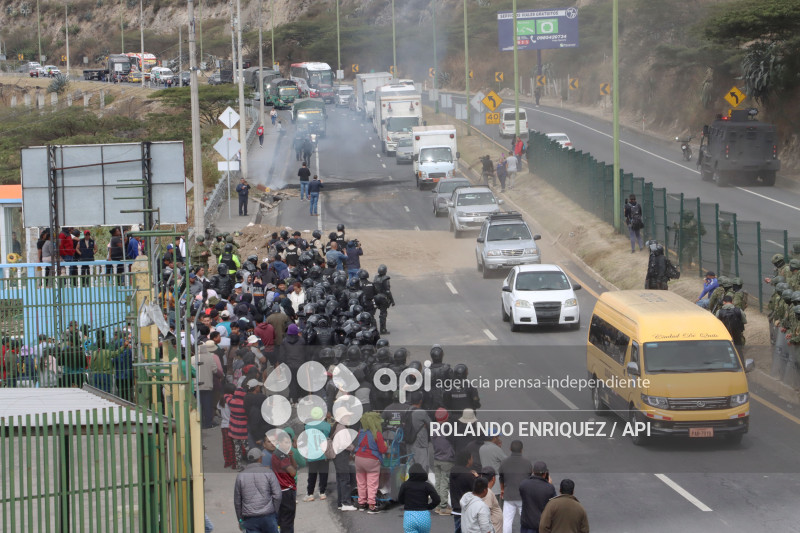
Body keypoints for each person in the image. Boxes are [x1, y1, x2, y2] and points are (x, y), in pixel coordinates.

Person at [234, 447, 282, 533]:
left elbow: (237, 501)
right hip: (268, 516)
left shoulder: (240, 476)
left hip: (250, 518)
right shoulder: (268, 472)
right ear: (260, 459)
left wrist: (240, 520)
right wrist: (274, 511)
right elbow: (277, 495)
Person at [354, 411, 387, 513]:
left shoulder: (360, 432)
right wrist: (385, 445)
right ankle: (372, 506)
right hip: (371, 460)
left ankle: (361, 504)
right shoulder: (377, 434)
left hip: (358, 458)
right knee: (371, 483)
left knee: (361, 482)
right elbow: (383, 450)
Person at [397, 462, 441, 533]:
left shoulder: (405, 485)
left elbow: (400, 500)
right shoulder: (427, 485)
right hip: (424, 516)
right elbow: (437, 499)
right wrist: (429, 507)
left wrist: (406, 502)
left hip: (409, 516)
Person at [500, 440, 533, 533]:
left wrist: (502, 489)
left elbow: (501, 478)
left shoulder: (504, 462)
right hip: (523, 496)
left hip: (509, 495)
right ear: (521, 450)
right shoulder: (527, 463)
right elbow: (530, 479)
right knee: (526, 520)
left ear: (510, 449)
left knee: (507, 521)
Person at [271, 430, 299, 533]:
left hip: (282, 489)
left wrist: (291, 456)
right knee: (287, 520)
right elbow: (293, 472)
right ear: (279, 442)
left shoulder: (281, 454)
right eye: (286, 442)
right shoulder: (281, 455)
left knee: (284, 519)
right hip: (286, 490)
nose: (289, 445)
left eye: (290, 443)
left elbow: (295, 467)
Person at [519, 461, 557, 533]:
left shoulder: (523, 484)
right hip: (542, 525)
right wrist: (549, 484)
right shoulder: (549, 488)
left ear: (533, 471)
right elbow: (554, 503)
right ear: (545, 474)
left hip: (527, 524)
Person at [432, 407, 455, 516]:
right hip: (447, 459)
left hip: (437, 458)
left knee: (438, 482)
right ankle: (443, 507)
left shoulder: (434, 428)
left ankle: (437, 504)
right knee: (445, 482)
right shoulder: (449, 428)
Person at [450, 450, 480, 533]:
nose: (472, 460)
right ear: (467, 460)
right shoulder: (468, 475)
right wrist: (477, 478)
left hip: (456, 508)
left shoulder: (453, 471)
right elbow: (477, 490)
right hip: (467, 509)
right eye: (471, 458)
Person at [479, 429, 507, 500]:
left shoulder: (481, 448)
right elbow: (506, 461)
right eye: (498, 437)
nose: (498, 439)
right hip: (496, 481)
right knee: (498, 505)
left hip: (485, 479)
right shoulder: (495, 448)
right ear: (494, 437)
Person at [480, 467, 503, 533]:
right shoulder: (487, 493)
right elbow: (484, 513)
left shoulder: (484, 490)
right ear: (493, 478)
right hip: (493, 529)